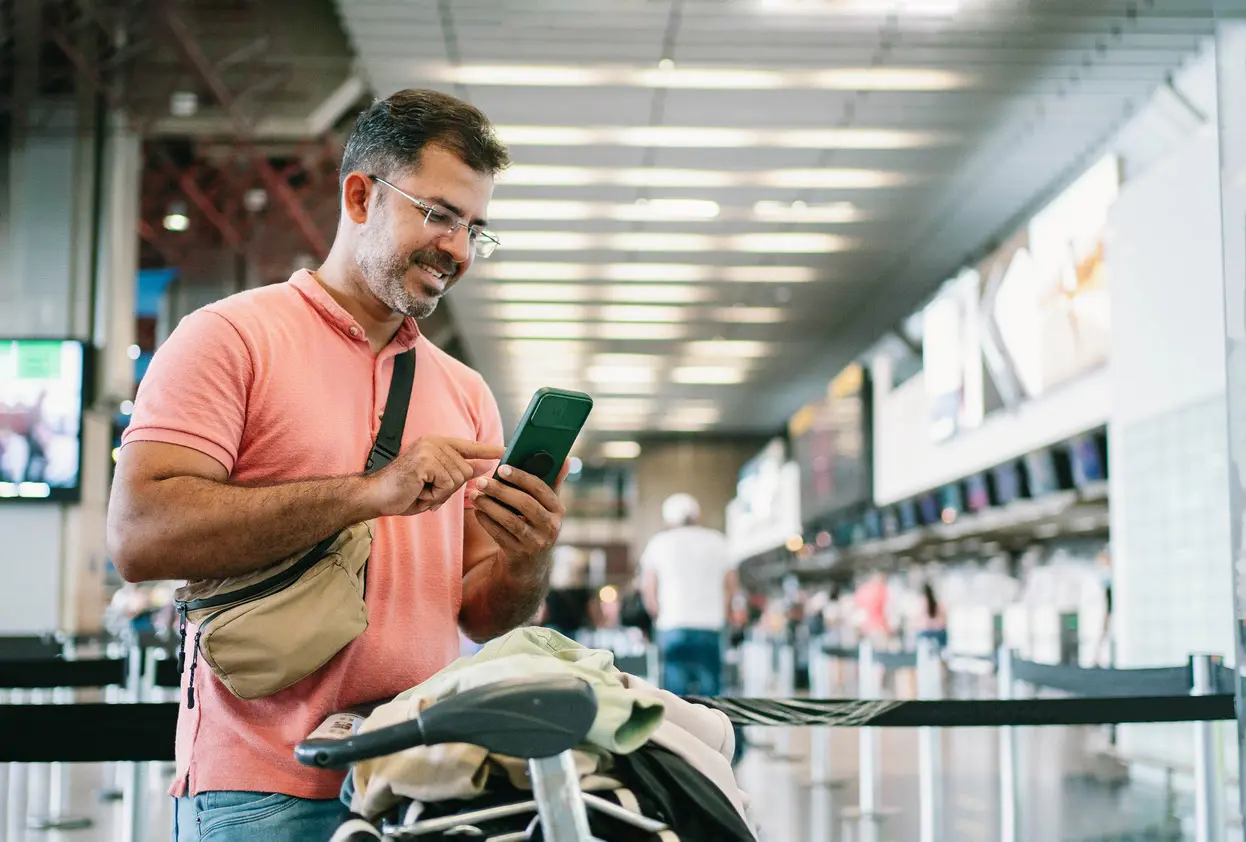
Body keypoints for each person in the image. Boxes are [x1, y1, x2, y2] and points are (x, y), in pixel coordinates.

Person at [107, 89, 570, 842]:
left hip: (418, 782)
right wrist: (368, 495)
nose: (456, 249)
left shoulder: (464, 392)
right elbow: (139, 536)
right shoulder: (229, 339)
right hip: (260, 788)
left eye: (475, 230)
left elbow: (483, 613)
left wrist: (528, 557)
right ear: (361, 195)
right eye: (440, 215)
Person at [639, 493, 737, 698]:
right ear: (697, 515)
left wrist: (657, 616)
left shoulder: (659, 543)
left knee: (675, 698)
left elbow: (648, 589)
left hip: (672, 626)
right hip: (710, 626)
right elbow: (731, 586)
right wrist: (726, 613)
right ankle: (713, 730)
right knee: (712, 695)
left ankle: (678, 731)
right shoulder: (718, 541)